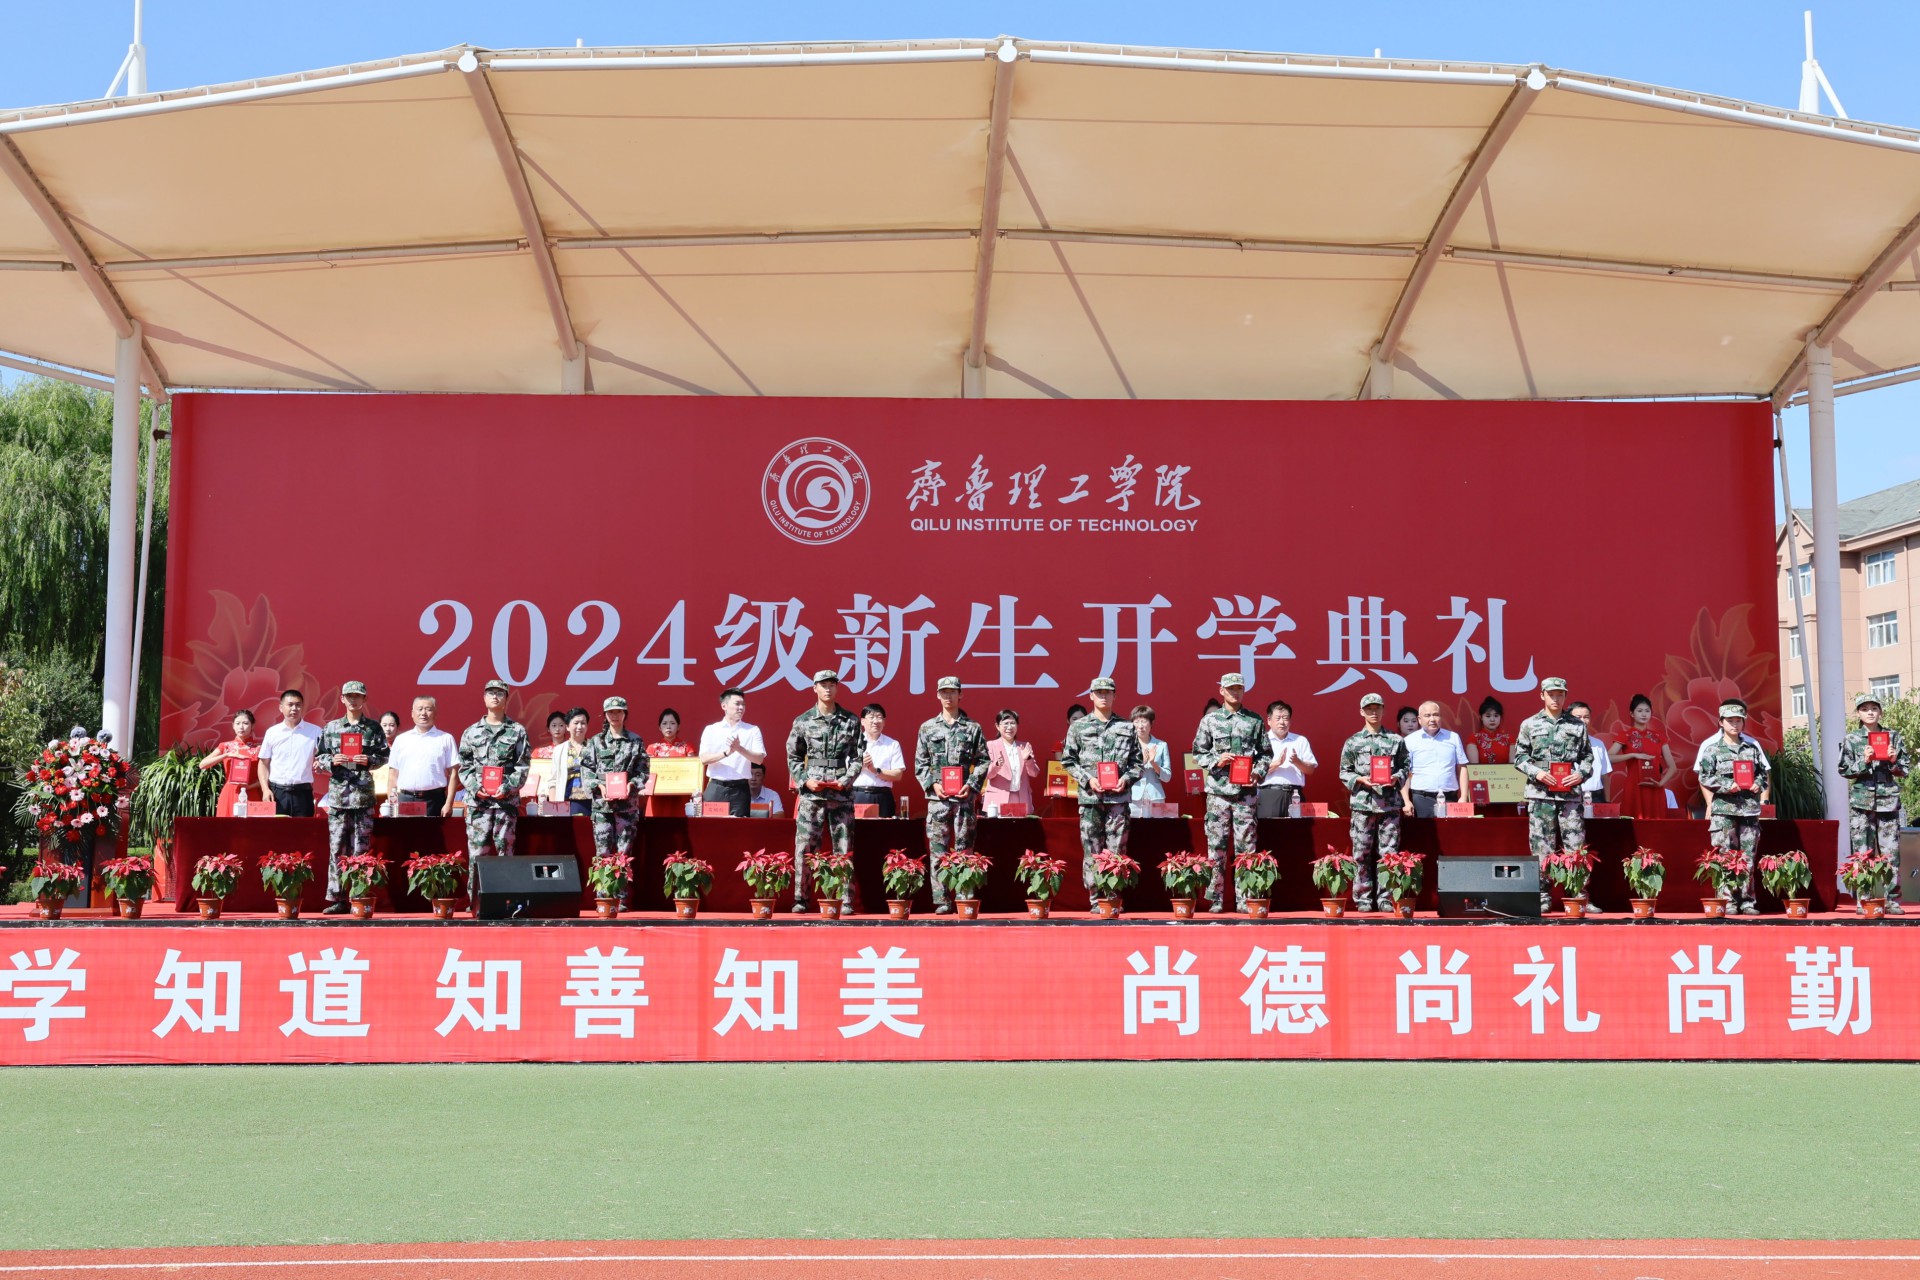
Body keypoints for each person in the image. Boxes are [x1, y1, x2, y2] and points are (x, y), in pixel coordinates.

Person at [1510, 678, 1596, 915]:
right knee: (1542, 848)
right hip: (1541, 795)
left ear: (1565, 696)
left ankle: (1578, 895)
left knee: (1575, 847)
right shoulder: (1530, 724)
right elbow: (1519, 758)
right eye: (1551, 694)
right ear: (1542, 695)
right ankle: (1542, 897)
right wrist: (1536, 772)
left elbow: (1588, 757)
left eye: (1560, 694)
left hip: (1569, 796)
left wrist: (1580, 774)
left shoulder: (1577, 725)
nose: (1556, 699)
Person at [1191, 674, 1272, 912]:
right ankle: (1215, 900)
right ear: (1222, 691)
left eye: (1238, 688)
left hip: (1245, 793)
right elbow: (1198, 752)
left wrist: (1257, 772)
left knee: (1246, 847)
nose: (1235, 692)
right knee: (1216, 846)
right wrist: (1217, 760)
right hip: (1218, 793)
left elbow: (1266, 754)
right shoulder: (1210, 720)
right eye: (1230, 688)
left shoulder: (1254, 720)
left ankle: (1245, 899)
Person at [1062, 677, 1143, 907]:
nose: (1103, 696)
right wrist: (1088, 780)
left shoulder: (1127, 727)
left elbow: (1137, 763)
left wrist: (1125, 780)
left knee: (1117, 849)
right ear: (1091, 696)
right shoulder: (1078, 727)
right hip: (1091, 799)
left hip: (1118, 799)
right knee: (1092, 849)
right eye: (1099, 692)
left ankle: (1113, 897)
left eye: (1108, 692)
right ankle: (1096, 899)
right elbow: (1068, 760)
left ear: (1115, 696)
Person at [787, 671, 862, 913]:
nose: (827, 689)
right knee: (805, 848)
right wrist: (805, 781)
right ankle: (801, 899)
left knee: (844, 847)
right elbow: (794, 757)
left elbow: (858, 758)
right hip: (812, 794)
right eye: (823, 685)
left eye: (832, 685)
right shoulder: (803, 720)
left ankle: (845, 899)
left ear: (837, 688)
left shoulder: (851, 720)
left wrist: (846, 780)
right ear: (815, 688)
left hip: (840, 794)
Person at [916, 677, 991, 913]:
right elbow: (920, 763)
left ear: (961, 695)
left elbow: (983, 760)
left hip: (964, 799)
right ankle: (941, 900)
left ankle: (963, 895)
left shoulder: (972, 727)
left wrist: (971, 784)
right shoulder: (928, 728)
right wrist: (932, 785)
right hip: (938, 800)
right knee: (938, 851)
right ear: (937, 695)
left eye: (952, 692)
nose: (948, 696)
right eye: (944, 692)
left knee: (964, 849)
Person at [317, 680, 390, 914]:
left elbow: (385, 755)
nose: (353, 700)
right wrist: (332, 761)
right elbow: (319, 757)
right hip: (339, 795)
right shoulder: (331, 728)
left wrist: (369, 760)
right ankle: (337, 899)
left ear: (364, 699)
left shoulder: (373, 728)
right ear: (342, 699)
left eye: (357, 696)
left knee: (361, 848)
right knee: (337, 847)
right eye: (349, 696)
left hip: (362, 795)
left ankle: (359, 897)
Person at [1337, 692, 1410, 912]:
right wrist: (1360, 779)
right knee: (1361, 853)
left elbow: (1406, 766)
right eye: (1369, 709)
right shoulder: (1353, 742)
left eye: (1377, 708)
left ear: (1383, 710)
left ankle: (1386, 898)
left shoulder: (1396, 740)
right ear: (1362, 712)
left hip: (1389, 804)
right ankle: (1363, 899)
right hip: (1363, 805)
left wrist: (1396, 777)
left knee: (1389, 853)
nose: (1374, 712)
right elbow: (1344, 771)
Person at [1696, 700, 1771, 914]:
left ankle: (1747, 901)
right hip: (1724, 811)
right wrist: (1727, 785)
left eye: (1739, 720)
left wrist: (1758, 784)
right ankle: (1727, 901)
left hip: (1748, 810)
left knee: (1748, 857)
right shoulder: (1712, 750)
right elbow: (1704, 777)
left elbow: (1762, 774)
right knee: (1726, 856)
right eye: (1730, 721)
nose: (1735, 725)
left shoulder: (1752, 748)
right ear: (1721, 722)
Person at [458, 679, 532, 895]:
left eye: (500, 693)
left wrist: (507, 787)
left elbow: (523, 766)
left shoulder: (517, 731)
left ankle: (504, 900)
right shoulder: (471, 732)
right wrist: (474, 786)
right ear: (484, 698)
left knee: (505, 853)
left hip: (505, 803)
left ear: (506, 699)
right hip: (478, 803)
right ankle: (476, 901)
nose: (495, 697)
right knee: (477, 854)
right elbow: (464, 766)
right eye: (490, 693)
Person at [1839, 692, 1907, 914]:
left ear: (1880, 712)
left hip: (1888, 802)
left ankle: (1892, 900)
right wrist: (1864, 761)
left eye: (1874, 708)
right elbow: (1844, 770)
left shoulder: (1893, 737)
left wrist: (1894, 761)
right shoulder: (1851, 739)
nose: (1870, 712)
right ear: (1858, 713)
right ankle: (1864, 900)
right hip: (1862, 803)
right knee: (1862, 853)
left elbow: (1905, 769)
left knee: (1890, 853)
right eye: (1865, 709)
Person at [580, 695, 648, 878]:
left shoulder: (636, 741)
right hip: (602, 807)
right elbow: (586, 770)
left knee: (624, 855)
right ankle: (604, 893)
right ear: (605, 715)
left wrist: (632, 784)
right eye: (611, 712)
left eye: (619, 712)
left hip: (627, 807)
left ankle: (621, 893)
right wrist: (599, 786)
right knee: (602, 854)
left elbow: (643, 771)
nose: (615, 716)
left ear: (625, 714)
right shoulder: (596, 741)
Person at [387, 695, 459, 816]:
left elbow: (454, 774)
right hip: (405, 799)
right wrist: (392, 804)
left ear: (435, 713)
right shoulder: (401, 740)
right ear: (412, 713)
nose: (423, 713)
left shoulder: (446, 738)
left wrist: (449, 803)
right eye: (419, 709)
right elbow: (392, 776)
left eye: (428, 709)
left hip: (434, 800)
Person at [698, 688, 765, 817]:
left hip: (740, 790)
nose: (741, 708)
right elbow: (704, 759)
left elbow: (759, 759)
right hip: (716, 788)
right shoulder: (711, 729)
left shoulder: (752, 730)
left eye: (743, 704)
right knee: (711, 827)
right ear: (724, 706)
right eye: (737, 704)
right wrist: (726, 753)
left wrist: (740, 749)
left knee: (739, 828)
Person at [258, 688, 323, 817]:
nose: (294, 709)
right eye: (290, 705)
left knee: (304, 829)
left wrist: (321, 763)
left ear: (302, 707)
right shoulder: (272, 732)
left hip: (303, 792)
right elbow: (263, 763)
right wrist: (265, 789)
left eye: (298, 705)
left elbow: (324, 756)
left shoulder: (315, 731)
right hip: (277, 793)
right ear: (281, 707)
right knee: (276, 829)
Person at [1400, 700, 1468, 819]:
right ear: (1419, 719)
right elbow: (1404, 772)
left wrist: (1463, 797)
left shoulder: (1453, 737)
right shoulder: (1410, 740)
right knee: (1425, 831)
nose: (1432, 719)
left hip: (1450, 797)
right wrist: (1406, 800)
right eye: (1427, 715)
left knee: (1451, 830)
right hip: (1422, 798)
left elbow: (1462, 768)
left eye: (1436, 715)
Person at [1611, 694, 1674, 820]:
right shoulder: (1625, 735)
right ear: (1632, 714)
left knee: (1656, 824)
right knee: (1632, 824)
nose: (1644, 714)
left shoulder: (1659, 737)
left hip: (1655, 787)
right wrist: (1633, 755)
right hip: (1634, 787)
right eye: (1639, 711)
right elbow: (1609, 757)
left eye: (1647, 711)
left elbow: (1673, 766)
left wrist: (1661, 783)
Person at [199, 708, 267, 817]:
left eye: (245, 723)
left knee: (251, 827)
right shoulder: (225, 746)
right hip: (230, 793)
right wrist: (226, 755)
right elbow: (202, 765)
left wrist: (250, 787)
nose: (241, 727)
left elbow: (268, 776)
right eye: (238, 723)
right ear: (233, 726)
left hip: (252, 792)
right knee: (227, 826)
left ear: (253, 725)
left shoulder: (259, 748)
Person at [1258, 699, 1317, 819]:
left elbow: (1310, 770)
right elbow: (1252, 773)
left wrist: (1297, 762)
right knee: (1270, 829)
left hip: (1295, 795)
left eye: (1285, 718)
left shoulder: (1300, 740)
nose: (1282, 722)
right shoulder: (1260, 741)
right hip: (1270, 794)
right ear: (1269, 720)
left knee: (1297, 830)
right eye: (1278, 718)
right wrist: (1276, 764)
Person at [852, 702, 907, 817]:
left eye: (879, 717)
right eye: (871, 717)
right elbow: (842, 771)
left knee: (883, 828)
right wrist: (859, 764)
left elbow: (898, 775)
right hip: (857, 795)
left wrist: (875, 770)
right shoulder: (852, 743)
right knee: (856, 828)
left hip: (883, 797)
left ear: (884, 722)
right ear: (862, 721)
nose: (875, 721)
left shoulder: (892, 744)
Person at [983, 709, 1039, 811]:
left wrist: (1028, 759)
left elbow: (1034, 773)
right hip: (998, 799)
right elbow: (986, 775)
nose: (1009, 727)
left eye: (1013, 723)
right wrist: (997, 765)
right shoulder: (991, 746)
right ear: (997, 726)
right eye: (1006, 723)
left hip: (1021, 798)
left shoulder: (1024, 746)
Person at [1569, 702, 1613, 817]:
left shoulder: (1598, 744)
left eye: (1586, 717)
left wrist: (1607, 802)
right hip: (1571, 797)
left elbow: (1605, 776)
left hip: (1596, 797)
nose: (1583, 720)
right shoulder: (1562, 744)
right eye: (1578, 717)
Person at [1128, 705, 1173, 818]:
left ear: (1151, 723)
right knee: (1131, 827)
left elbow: (1167, 777)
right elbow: (1123, 772)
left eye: (1144, 721)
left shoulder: (1161, 745)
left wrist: (1154, 764)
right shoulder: (1127, 745)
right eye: (1136, 722)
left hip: (1155, 797)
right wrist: (1142, 762)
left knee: (1156, 828)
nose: (1140, 726)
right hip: (1133, 797)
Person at [1466, 696, 1512, 765]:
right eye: (1488, 716)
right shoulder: (1473, 739)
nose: (1492, 719)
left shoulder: (1509, 739)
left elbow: (1513, 767)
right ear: (1481, 717)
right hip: (1481, 772)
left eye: (1496, 716)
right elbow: (1474, 768)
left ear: (1500, 717)